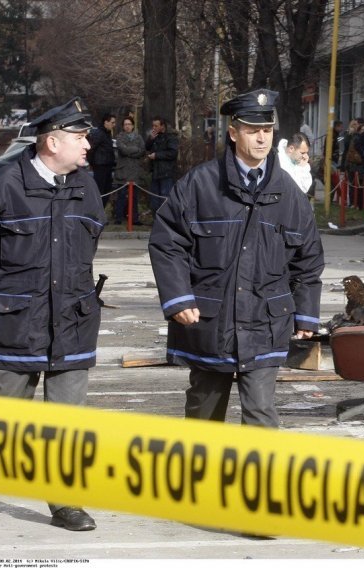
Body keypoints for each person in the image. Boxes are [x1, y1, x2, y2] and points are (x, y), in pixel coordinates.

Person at [0, 97, 105, 531]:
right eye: (79, 138)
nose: (87, 146)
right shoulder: (4, 185)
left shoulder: (86, 185)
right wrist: (4, 291)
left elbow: (90, 238)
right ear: (51, 142)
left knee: (67, 417)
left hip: (72, 318)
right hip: (14, 319)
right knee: (6, 409)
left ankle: (65, 502)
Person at [148, 88, 324, 428]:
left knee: (261, 414)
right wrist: (178, 298)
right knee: (204, 413)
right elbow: (167, 242)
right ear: (233, 133)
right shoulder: (200, 185)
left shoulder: (289, 194)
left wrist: (306, 314)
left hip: (266, 322)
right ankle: (199, 481)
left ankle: (257, 482)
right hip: (209, 323)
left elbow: (308, 259)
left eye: (267, 131)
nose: (261, 138)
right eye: (251, 130)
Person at [114, 116, 146, 225]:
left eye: (129, 124)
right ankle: (119, 218)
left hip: (135, 170)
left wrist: (130, 150)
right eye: (125, 124)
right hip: (123, 171)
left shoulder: (139, 137)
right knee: (121, 196)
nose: (127, 126)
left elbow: (142, 151)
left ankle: (134, 218)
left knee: (134, 197)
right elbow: (123, 150)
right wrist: (135, 149)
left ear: (132, 125)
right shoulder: (120, 137)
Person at [145, 116, 179, 218]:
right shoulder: (155, 136)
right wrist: (150, 139)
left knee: (165, 198)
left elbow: (173, 153)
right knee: (154, 199)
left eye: (156, 125)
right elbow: (147, 147)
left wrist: (157, 155)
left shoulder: (171, 137)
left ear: (162, 126)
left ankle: (165, 220)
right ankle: (156, 219)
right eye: (153, 126)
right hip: (155, 171)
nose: (154, 128)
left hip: (166, 172)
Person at [88, 113, 116, 207]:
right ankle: (97, 214)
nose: (114, 125)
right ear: (106, 122)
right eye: (112, 122)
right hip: (100, 166)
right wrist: (92, 163)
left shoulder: (107, 133)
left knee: (106, 190)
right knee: (100, 191)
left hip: (107, 165)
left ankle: (101, 213)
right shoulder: (99, 133)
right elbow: (91, 149)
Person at [277, 132, 313, 198]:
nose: (305, 156)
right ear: (291, 149)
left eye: (306, 153)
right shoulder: (279, 163)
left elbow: (305, 188)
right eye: (302, 153)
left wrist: (303, 167)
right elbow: (299, 190)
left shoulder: (296, 161)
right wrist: (301, 168)